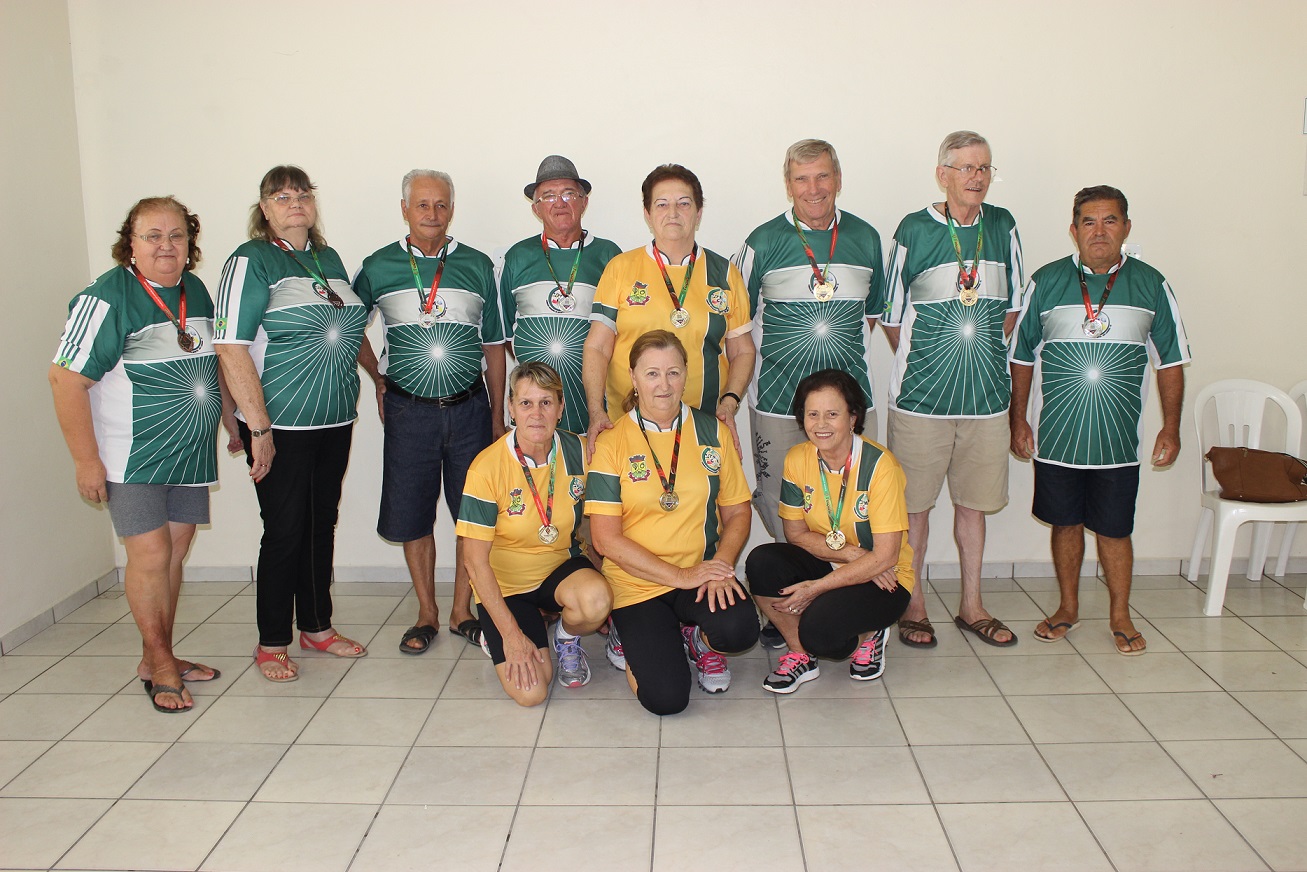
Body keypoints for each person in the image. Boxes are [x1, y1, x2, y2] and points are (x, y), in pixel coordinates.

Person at [50, 196, 231, 712]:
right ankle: (161, 663)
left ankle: (159, 655)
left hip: (189, 453)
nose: (166, 246)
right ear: (129, 243)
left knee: (174, 553)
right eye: (152, 236)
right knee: (150, 556)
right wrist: (87, 461)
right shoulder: (107, 298)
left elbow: (213, 361)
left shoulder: (194, 290)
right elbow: (64, 381)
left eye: (176, 235)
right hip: (131, 457)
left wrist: (231, 421)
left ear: (189, 241)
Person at [1010, 185, 1190, 656]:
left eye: (1110, 220)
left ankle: (1120, 614)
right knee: (1065, 524)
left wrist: (1170, 427)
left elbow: (1170, 362)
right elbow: (1022, 358)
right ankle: (1067, 607)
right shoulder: (1045, 282)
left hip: (1116, 444)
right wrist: (1018, 420)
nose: (1099, 231)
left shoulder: (1152, 283)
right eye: (1089, 222)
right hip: (1057, 442)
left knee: (1115, 529)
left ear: (1127, 227)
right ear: (1073, 230)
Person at [214, 165, 369, 681]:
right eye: (281, 196)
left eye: (302, 194)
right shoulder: (251, 260)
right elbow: (230, 344)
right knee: (284, 531)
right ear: (264, 208)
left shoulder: (328, 258)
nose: (294, 202)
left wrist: (379, 377)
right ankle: (272, 640)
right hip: (280, 423)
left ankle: (318, 628)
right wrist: (254, 428)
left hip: (334, 419)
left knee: (320, 523)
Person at [882, 131, 1024, 649]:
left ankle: (972, 606)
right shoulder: (914, 229)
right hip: (922, 402)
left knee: (974, 506)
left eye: (984, 168)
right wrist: (937, 363)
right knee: (914, 510)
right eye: (965, 168)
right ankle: (914, 606)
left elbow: (1011, 312)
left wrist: (975, 360)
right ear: (942, 174)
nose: (976, 178)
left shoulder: (1003, 225)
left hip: (987, 401)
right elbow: (893, 319)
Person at [354, 169, 506, 653]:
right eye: (422, 205)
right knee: (412, 514)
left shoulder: (479, 265)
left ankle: (463, 611)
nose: (432, 214)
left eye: (441, 205)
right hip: (408, 412)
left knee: (472, 517)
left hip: (470, 411)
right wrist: (378, 375)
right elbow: (346, 325)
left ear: (451, 209)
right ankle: (427, 613)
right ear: (404, 209)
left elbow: (495, 347)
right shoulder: (377, 266)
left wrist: (498, 414)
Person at [587, 330, 758, 715]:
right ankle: (625, 636)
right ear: (632, 378)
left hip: (698, 573)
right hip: (638, 583)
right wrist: (679, 577)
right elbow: (604, 540)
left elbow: (738, 512)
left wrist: (720, 567)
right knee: (666, 700)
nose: (663, 384)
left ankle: (698, 638)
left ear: (686, 374)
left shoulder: (713, 431)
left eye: (673, 373)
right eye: (651, 374)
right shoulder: (612, 442)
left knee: (739, 629)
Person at [734, 139, 887, 544]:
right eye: (802, 179)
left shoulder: (867, 238)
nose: (813, 188)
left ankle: (840, 594)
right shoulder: (762, 242)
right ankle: (792, 594)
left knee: (853, 501)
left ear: (838, 179)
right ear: (788, 184)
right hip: (777, 401)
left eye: (822, 176)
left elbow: (871, 317)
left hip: (850, 405)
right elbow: (734, 323)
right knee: (779, 502)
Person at [746, 370, 914, 693]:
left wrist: (817, 588)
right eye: (813, 414)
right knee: (761, 563)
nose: (821, 424)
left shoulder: (881, 467)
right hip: (846, 561)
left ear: (853, 418)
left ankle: (872, 632)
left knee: (821, 632)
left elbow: (887, 556)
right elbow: (795, 534)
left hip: (885, 578)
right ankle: (801, 654)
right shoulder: (797, 459)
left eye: (832, 414)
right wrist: (852, 554)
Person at [455, 362, 613, 704]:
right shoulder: (486, 467)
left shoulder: (581, 452)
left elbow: (609, 520)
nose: (536, 413)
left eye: (546, 402)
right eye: (526, 403)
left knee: (597, 600)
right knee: (532, 693)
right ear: (511, 407)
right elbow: (474, 562)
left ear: (560, 408)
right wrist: (511, 636)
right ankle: (498, 631)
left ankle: (566, 638)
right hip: (505, 586)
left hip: (558, 571)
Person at [583, 164, 754, 458]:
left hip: (704, 426)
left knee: (703, 502)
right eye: (661, 204)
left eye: (683, 203)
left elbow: (743, 352)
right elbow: (597, 347)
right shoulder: (621, 268)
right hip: (627, 424)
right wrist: (596, 411)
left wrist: (729, 402)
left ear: (698, 213)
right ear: (648, 214)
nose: (672, 213)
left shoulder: (725, 273)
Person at [500, 156, 621, 436]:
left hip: (597, 406)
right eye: (548, 196)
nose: (560, 202)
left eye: (569, 194)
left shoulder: (609, 255)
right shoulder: (516, 257)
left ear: (584, 202)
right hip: (536, 411)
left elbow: (622, 331)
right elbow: (506, 333)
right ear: (536, 209)